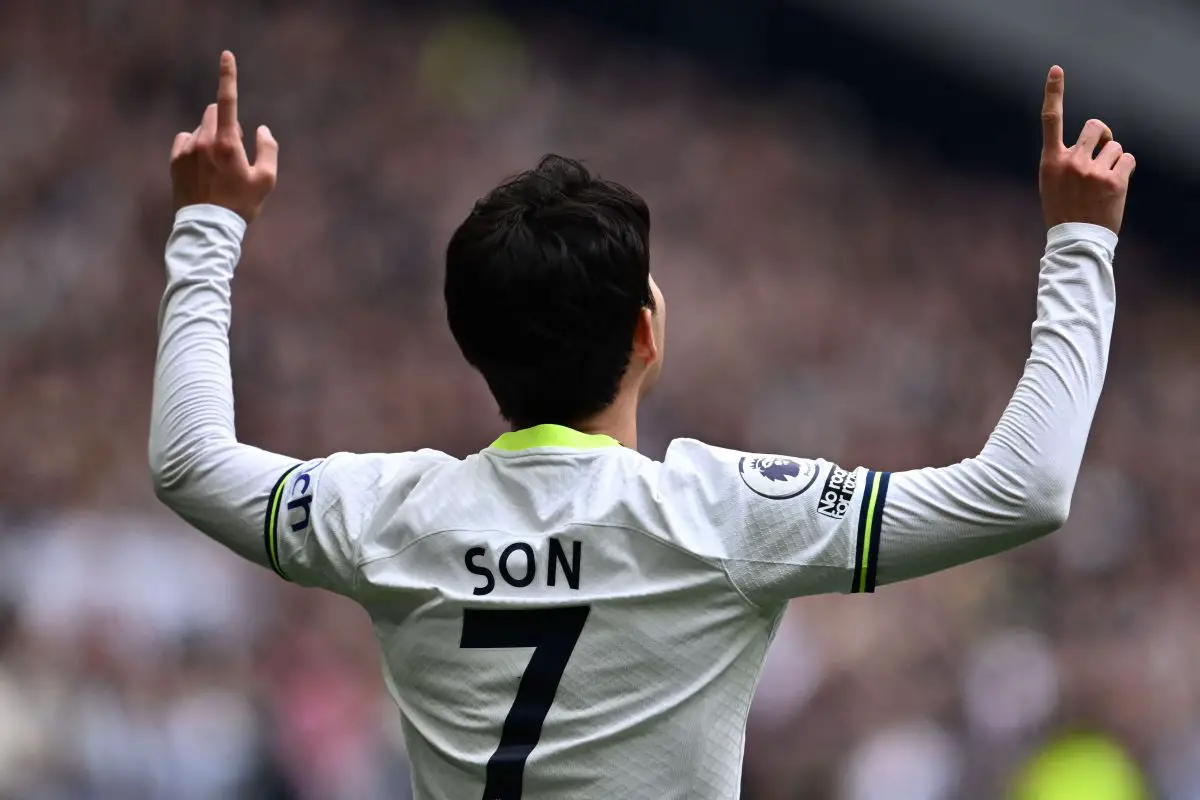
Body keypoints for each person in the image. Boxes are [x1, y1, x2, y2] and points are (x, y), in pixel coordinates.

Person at [150, 53, 1134, 800]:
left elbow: (190, 462)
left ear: (472, 344)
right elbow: (1025, 488)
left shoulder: (388, 512)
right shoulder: (722, 514)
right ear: (646, 333)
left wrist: (207, 225)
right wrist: (1081, 239)